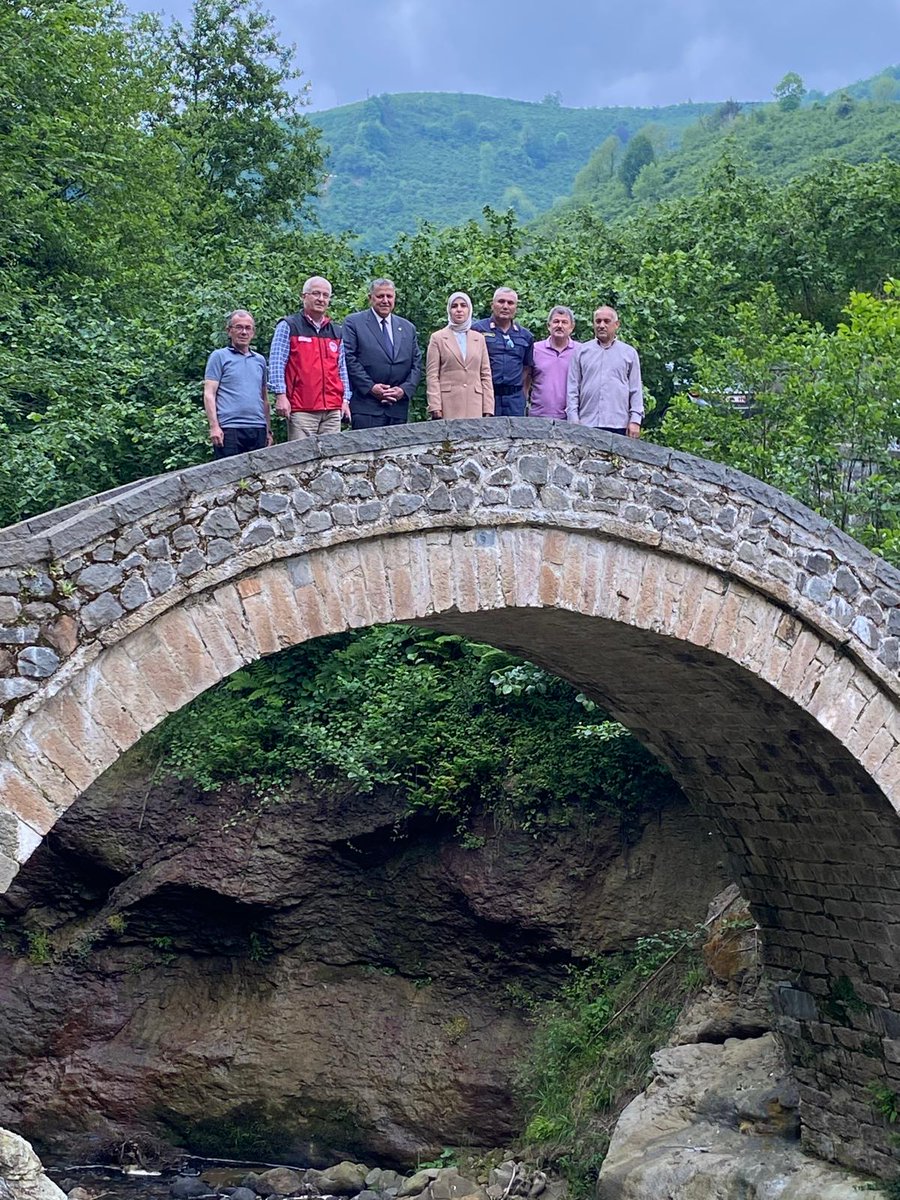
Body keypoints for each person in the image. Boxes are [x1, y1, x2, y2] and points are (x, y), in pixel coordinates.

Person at [268, 276, 351, 440]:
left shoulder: (336, 331)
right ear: (304, 296)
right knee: (302, 460)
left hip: (333, 409)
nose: (321, 299)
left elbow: (342, 369)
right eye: (316, 293)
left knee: (331, 460)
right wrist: (280, 396)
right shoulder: (289, 325)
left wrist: (346, 400)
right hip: (301, 408)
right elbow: (277, 363)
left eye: (325, 295)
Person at [342, 278, 423, 429]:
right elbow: (349, 358)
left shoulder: (407, 327)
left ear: (394, 298)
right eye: (380, 296)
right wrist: (371, 387)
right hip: (366, 406)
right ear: (370, 298)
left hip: (397, 408)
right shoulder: (354, 323)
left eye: (389, 296)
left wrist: (403, 390)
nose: (385, 300)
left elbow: (416, 363)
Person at [203, 310, 272, 458]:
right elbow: (209, 394)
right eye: (239, 327)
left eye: (248, 328)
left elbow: (264, 398)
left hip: (257, 427)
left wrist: (268, 430)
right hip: (229, 428)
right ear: (229, 331)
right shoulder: (219, 357)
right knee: (228, 477)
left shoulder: (260, 360)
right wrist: (214, 426)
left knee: (260, 478)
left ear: (253, 332)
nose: (243, 332)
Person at [566, 305, 643, 436]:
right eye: (598, 321)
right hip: (587, 423)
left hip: (618, 423)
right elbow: (573, 388)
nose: (601, 325)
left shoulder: (629, 353)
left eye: (606, 321)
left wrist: (635, 420)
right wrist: (573, 418)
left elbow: (635, 389)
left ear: (616, 324)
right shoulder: (581, 352)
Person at [426, 292, 495, 420]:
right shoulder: (438, 338)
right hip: (448, 403)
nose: (459, 309)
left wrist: (488, 407)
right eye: (454, 306)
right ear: (449, 310)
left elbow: (485, 374)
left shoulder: (479, 338)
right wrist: (435, 405)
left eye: (463, 306)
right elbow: (432, 375)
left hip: (475, 403)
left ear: (469, 309)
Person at [471, 287, 534, 417]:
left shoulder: (525, 336)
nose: (505, 306)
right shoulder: (477, 330)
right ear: (492, 305)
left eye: (510, 303)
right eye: (501, 302)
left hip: (514, 400)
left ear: (516, 307)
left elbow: (527, 368)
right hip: (487, 396)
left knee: (516, 436)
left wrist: (523, 394)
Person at [528, 306, 578, 420]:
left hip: (570, 418)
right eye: (556, 321)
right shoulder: (535, 350)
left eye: (564, 322)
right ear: (548, 325)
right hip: (538, 416)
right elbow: (526, 380)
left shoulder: (580, 352)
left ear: (572, 327)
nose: (559, 325)